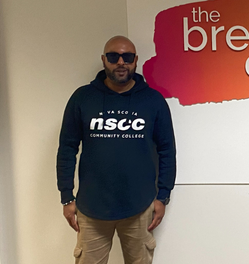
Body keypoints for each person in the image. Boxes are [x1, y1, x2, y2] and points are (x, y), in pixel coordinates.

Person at [56, 35, 176, 264]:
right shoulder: (83, 98)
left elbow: (167, 151)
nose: (120, 62)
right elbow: (67, 149)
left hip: (140, 208)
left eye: (127, 57)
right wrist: (66, 197)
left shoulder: (153, 101)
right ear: (104, 60)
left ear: (136, 60)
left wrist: (163, 196)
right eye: (113, 56)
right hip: (91, 208)